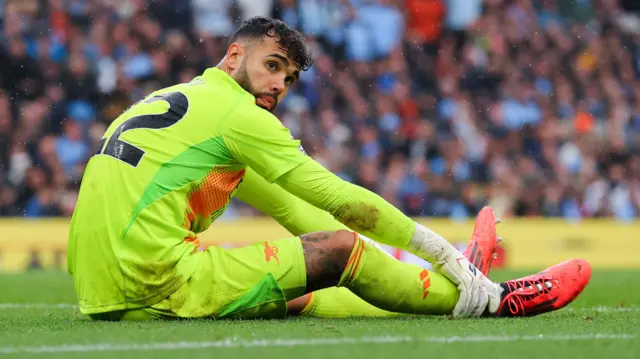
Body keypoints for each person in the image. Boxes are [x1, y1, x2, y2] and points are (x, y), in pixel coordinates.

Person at [67, 17, 591, 321]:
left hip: (97, 290)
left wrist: (401, 259)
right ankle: (491, 301)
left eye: (289, 78)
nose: (278, 85)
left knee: (303, 278)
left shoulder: (180, 101)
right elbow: (339, 200)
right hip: (152, 284)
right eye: (272, 66)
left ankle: (438, 285)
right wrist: (445, 255)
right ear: (232, 57)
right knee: (340, 251)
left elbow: (293, 209)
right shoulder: (237, 115)